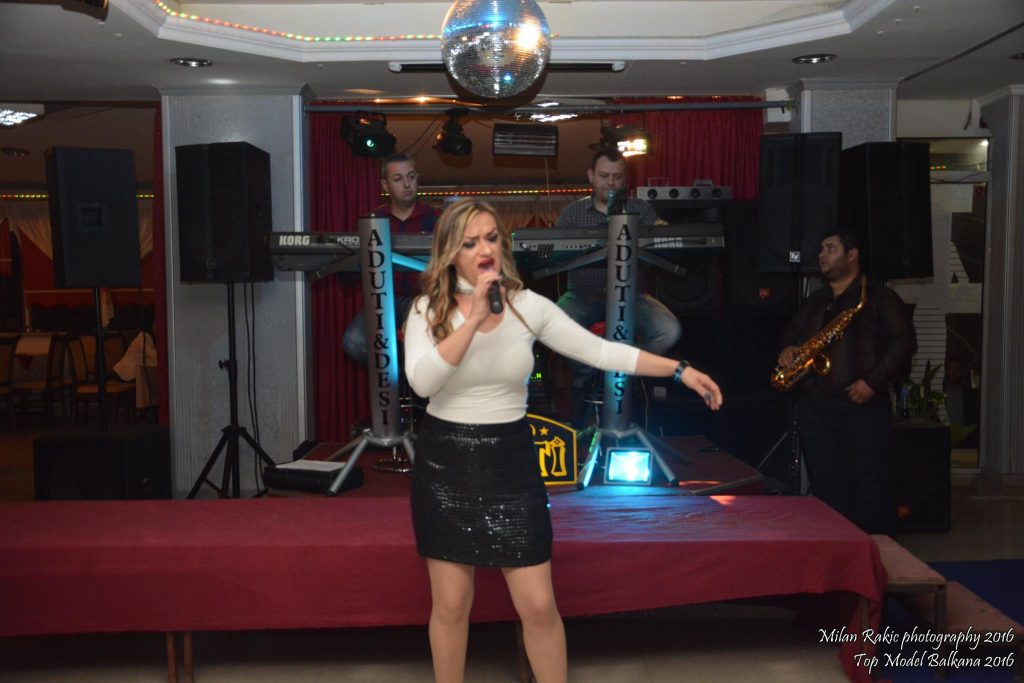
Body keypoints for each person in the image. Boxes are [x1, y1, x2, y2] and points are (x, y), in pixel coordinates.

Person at [403, 199, 723, 683]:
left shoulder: (527, 306)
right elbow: (423, 382)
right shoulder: (426, 309)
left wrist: (680, 370)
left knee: (538, 604)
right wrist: (471, 320)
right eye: (470, 243)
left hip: (510, 461)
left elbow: (601, 351)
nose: (485, 249)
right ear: (450, 253)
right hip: (446, 462)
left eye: (491, 237)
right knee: (451, 605)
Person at [777, 230, 917, 535]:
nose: (821, 255)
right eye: (820, 249)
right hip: (816, 410)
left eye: (830, 248)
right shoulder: (815, 300)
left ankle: (877, 553)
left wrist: (872, 382)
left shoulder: (879, 297)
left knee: (870, 487)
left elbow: (904, 342)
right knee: (827, 487)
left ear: (852, 255)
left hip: (861, 408)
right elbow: (793, 335)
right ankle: (838, 552)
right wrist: (788, 349)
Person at [554, 148, 682, 427]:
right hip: (583, 297)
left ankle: (623, 365)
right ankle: (584, 375)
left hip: (631, 296)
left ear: (625, 179)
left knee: (669, 330)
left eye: (617, 176)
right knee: (553, 324)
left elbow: (662, 241)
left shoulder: (641, 210)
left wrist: (662, 231)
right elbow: (553, 253)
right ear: (591, 176)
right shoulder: (572, 214)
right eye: (604, 176)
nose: (610, 183)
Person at [341, 153, 440, 364]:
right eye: (398, 179)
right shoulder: (372, 221)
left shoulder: (438, 219)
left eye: (411, 177)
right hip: (382, 301)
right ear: (385, 185)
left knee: (429, 339)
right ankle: (397, 372)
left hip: (424, 300)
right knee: (354, 342)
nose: (407, 184)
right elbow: (350, 277)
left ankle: (413, 373)